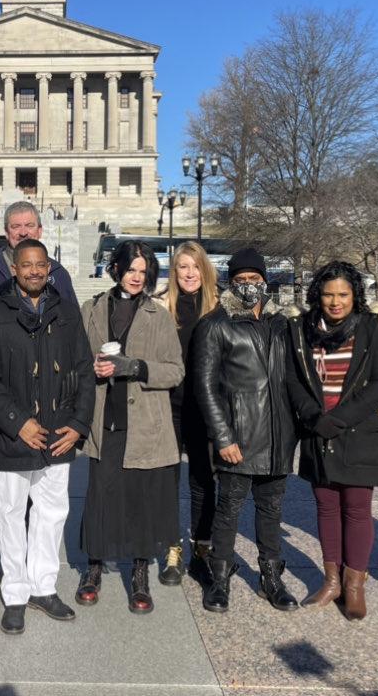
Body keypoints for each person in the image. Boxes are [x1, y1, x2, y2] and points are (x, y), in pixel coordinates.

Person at [0, 238, 95, 635]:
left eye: (41, 264)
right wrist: (17, 420)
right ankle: (17, 593)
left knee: (52, 512)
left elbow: (85, 372)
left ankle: (44, 586)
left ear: (49, 267)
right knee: (10, 513)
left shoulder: (68, 313)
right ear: (14, 269)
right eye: (27, 265)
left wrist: (78, 424)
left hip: (58, 434)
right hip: (15, 435)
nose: (35, 271)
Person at [0, 200, 78, 586]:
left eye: (29, 225)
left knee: (37, 483)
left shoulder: (57, 273)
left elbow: (73, 335)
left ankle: (28, 556)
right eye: (15, 226)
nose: (23, 231)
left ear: (40, 230)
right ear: (6, 233)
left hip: (46, 398)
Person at [76, 240, 184, 614]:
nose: (137, 277)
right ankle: (93, 568)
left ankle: (139, 575)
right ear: (117, 268)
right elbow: (75, 360)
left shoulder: (158, 314)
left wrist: (135, 367)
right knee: (100, 498)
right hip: (104, 419)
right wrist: (89, 367)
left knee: (140, 500)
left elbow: (175, 370)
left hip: (145, 423)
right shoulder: (91, 309)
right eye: (131, 269)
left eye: (144, 271)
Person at [285, 260, 378, 620]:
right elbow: (293, 379)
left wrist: (341, 418)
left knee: (357, 509)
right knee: (327, 508)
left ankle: (354, 585)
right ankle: (331, 580)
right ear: (318, 295)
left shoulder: (372, 330)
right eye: (329, 294)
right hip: (318, 432)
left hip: (359, 432)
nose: (335, 302)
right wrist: (314, 417)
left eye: (343, 295)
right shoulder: (302, 330)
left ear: (355, 295)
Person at [193, 247, 299, 614]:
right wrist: (223, 437)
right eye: (241, 280)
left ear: (265, 282)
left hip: (277, 436)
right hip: (238, 435)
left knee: (271, 510)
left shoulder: (282, 324)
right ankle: (219, 577)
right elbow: (205, 387)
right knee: (229, 509)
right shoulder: (215, 324)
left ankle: (271, 576)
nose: (249, 285)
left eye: (255, 279)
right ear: (230, 282)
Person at [155, 241, 220, 585]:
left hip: (206, 407)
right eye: (182, 267)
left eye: (195, 266)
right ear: (174, 271)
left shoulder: (219, 307)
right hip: (171, 404)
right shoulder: (162, 306)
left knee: (203, 481)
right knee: (168, 482)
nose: (190, 273)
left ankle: (202, 549)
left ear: (204, 269)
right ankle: (171, 548)